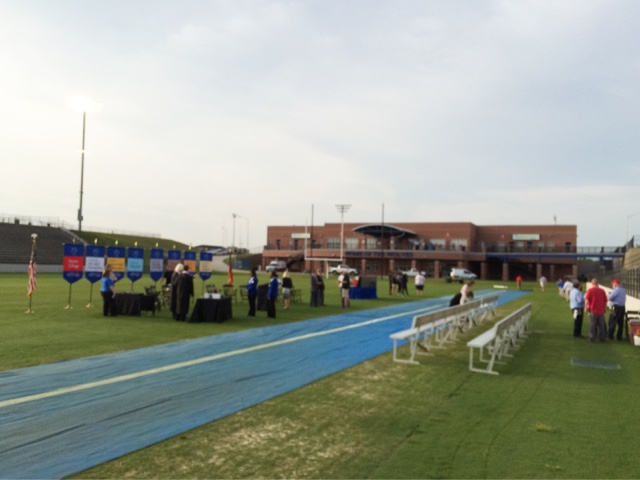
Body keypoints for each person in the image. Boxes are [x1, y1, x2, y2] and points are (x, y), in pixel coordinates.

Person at [584, 278, 608, 342]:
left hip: (593, 310)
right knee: (601, 325)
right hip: (601, 310)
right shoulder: (602, 291)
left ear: (592, 284)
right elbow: (605, 301)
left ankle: (592, 337)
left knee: (592, 324)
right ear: (598, 283)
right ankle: (602, 338)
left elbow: (587, 300)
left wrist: (585, 307)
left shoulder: (590, 290)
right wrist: (604, 308)